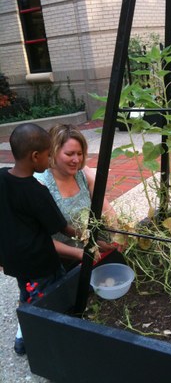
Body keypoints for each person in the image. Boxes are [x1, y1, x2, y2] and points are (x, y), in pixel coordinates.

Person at [0, 123, 94, 356]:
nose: (49, 159)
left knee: (28, 293)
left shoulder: (2, 177)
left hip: (15, 258)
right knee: (47, 298)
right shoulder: (37, 190)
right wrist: (87, 238)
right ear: (35, 157)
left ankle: (30, 327)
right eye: (48, 154)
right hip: (41, 260)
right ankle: (36, 338)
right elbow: (60, 226)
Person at [35, 124, 123, 270]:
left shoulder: (84, 173)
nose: (76, 160)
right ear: (53, 152)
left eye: (80, 153)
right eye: (69, 154)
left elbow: (104, 207)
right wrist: (81, 252)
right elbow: (41, 239)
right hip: (58, 260)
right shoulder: (40, 185)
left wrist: (118, 233)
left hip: (89, 248)